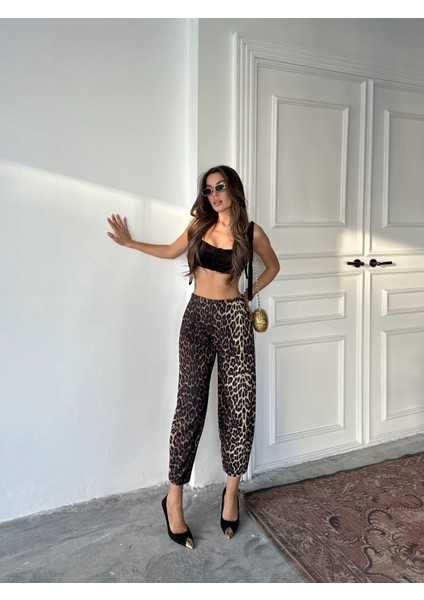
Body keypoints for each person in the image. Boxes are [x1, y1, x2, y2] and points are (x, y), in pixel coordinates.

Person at [107, 165, 280, 549]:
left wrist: (248, 293)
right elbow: (170, 251)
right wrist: (131, 243)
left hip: (234, 320)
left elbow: (274, 266)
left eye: (220, 187)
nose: (214, 195)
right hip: (197, 318)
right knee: (189, 407)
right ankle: (173, 499)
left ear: (233, 190)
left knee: (240, 407)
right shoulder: (200, 226)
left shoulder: (252, 233)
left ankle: (231, 494)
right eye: (208, 190)